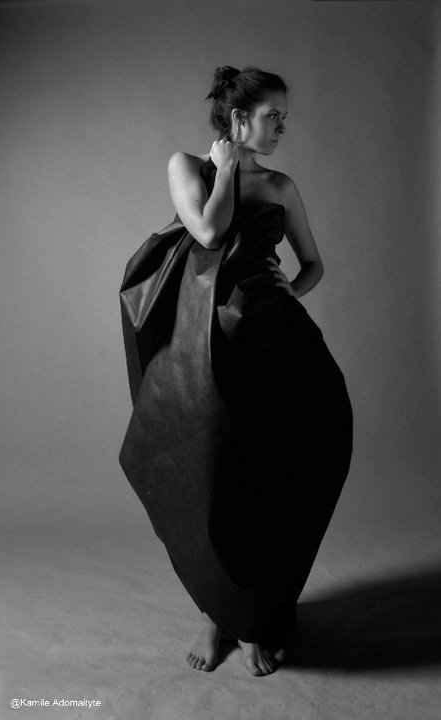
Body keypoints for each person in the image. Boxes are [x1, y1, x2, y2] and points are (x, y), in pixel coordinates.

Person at [118, 65, 353, 677]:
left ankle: (255, 621)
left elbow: (313, 263)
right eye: (273, 116)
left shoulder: (281, 185)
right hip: (199, 353)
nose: (282, 127)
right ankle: (213, 614)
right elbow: (209, 231)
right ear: (238, 118)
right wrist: (225, 170)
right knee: (204, 481)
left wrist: (287, 291)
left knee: (270, 479)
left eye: (283, 117)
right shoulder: (187, 167)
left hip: (273, 350)